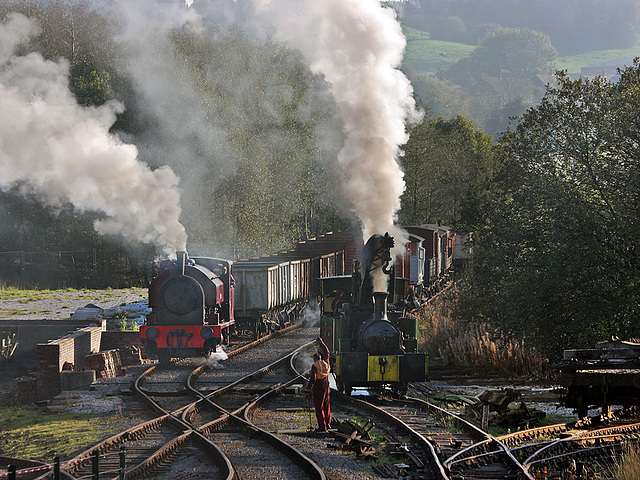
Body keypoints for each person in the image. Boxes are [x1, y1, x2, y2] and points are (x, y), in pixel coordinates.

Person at [307, 337, 331, 431]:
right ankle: (328, 423)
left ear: (314, 359)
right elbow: (327, 352)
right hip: (326, 386)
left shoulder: (314, 366)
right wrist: (322, 343)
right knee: (326, 405)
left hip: (318, 388)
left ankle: (322, 427)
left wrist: (309, 388)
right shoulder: (325, 363)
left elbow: (313, 378)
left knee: (319, 407)